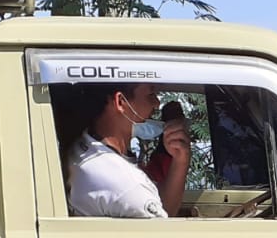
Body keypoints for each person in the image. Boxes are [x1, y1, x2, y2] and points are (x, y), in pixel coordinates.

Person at [60, 82, 191, 218]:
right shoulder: (126, 185)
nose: (157, 103)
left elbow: (161, 206)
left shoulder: (84, 148)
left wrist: (180, 161)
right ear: (121, 102)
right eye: (150, 94)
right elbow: (162, 232)